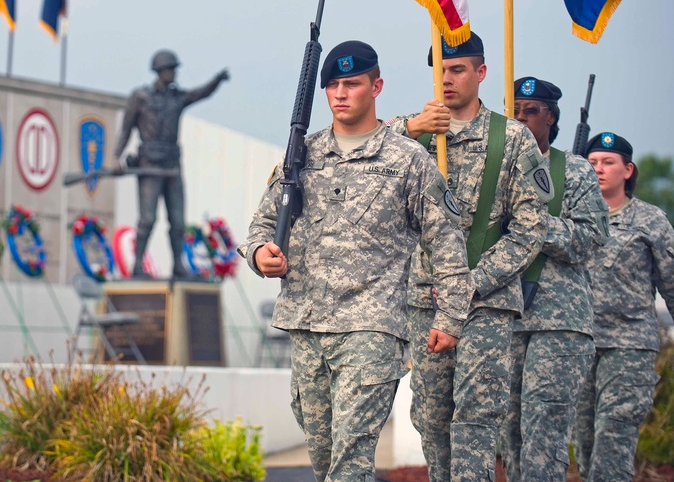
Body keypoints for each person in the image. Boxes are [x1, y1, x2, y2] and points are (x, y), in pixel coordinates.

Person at [238, 40, 472, 482]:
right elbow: (259, 228)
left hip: (371, 326)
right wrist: (260, 254)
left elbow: (446, 243)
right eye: (333, 85)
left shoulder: (408, 160)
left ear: (376, 86)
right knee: (324, 456)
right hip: (306, 324)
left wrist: (452, 315)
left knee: (350, 461)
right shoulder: (302, 156)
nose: (341, 93)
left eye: (352, 83)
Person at [386, 34, 553, 482]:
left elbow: (530, 228)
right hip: (426, 299)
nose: (447, 79)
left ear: (480, 73)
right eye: (440, 69)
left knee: (477, 416)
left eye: (457, 69)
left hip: (487, 298)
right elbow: (359, 150)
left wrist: (474, 281)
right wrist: (414, 128)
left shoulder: (512, 137)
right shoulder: (409, 135)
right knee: (431, 415)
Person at [575, 132, 674, 482]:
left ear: (628, 170)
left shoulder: (650, 221)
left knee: (614, 433)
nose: (599, 170)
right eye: (592, 163)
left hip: (629, 344)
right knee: (584, 442)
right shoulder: (571, 217)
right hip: (577, 343)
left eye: (608, 163)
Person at [499, 77, 609, 482]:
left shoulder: (576, 172)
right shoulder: (493, 170)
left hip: (557, 323)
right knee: (508, 436)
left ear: (551, 117)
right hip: (503, 317)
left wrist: (535, 225)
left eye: (531, 111)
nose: (521, 119)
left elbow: (592, 239)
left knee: (544, 432)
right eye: (514, 111)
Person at [113, 49, 229, 279]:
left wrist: (217, 80)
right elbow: (126, 128)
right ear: (160, 71)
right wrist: (115, 157)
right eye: (171, 69)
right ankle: (137, 266)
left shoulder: (177, 97)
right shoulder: (141, 97)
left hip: (172, 165)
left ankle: (178, 265)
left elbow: (200, 93)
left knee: (177, 221)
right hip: (149, 165)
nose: (174, 73)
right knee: (147, 219)